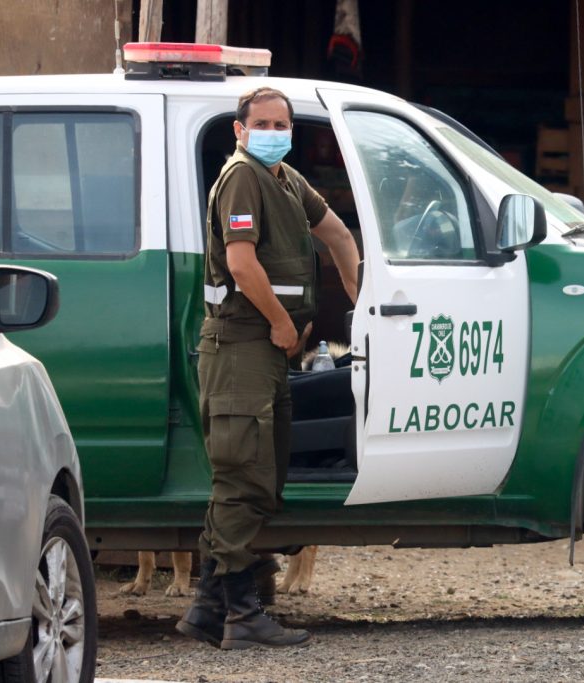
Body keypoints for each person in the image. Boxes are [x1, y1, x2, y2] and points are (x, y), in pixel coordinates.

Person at [177, 86, 359, 650]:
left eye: (282, 122)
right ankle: (242, 615)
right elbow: (241, 263)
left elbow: (337, 233)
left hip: (266, 353)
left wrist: (364, 303)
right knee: (241, 481)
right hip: (241, 345)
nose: (275, 131)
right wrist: (283, 323)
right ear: (240, 128)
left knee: (261, 477)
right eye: (262, 123)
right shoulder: (241, 177)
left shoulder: (284, 178)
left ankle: (209, 608)